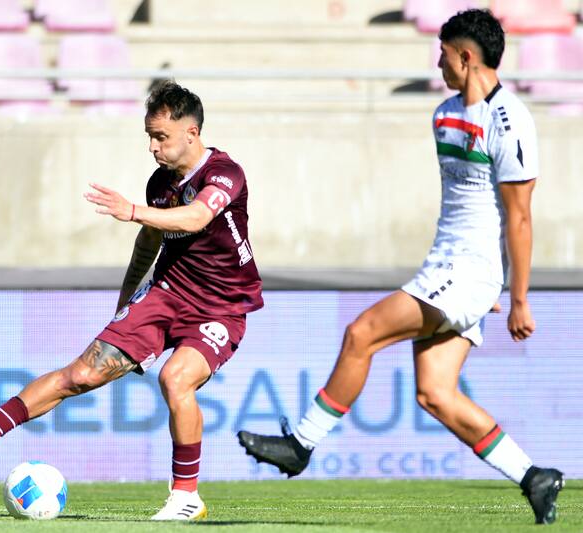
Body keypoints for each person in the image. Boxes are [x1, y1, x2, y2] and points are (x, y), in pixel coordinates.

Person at [237, 9, 564, 525]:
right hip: (452, 268)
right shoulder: (443, 115)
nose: (437, 62)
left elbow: (520, 216)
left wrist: (514, 294)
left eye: (443, 53)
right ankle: (533, 476)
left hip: (467, 271)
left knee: (361, 333)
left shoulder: (511, 121)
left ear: (466, 55)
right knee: (435, 394)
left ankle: (300, 445)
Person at [0, 80, 264, 521]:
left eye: (161, 137)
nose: (153, 148)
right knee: (78, 374)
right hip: (166, 295)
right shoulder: (160, 183)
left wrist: (132, 209)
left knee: (176, 378)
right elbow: (150, 240)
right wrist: (126, 302)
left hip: (221, 306)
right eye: (149, 137)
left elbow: (196, 217)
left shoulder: (225, 174)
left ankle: (186, 497)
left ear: (191, 133)